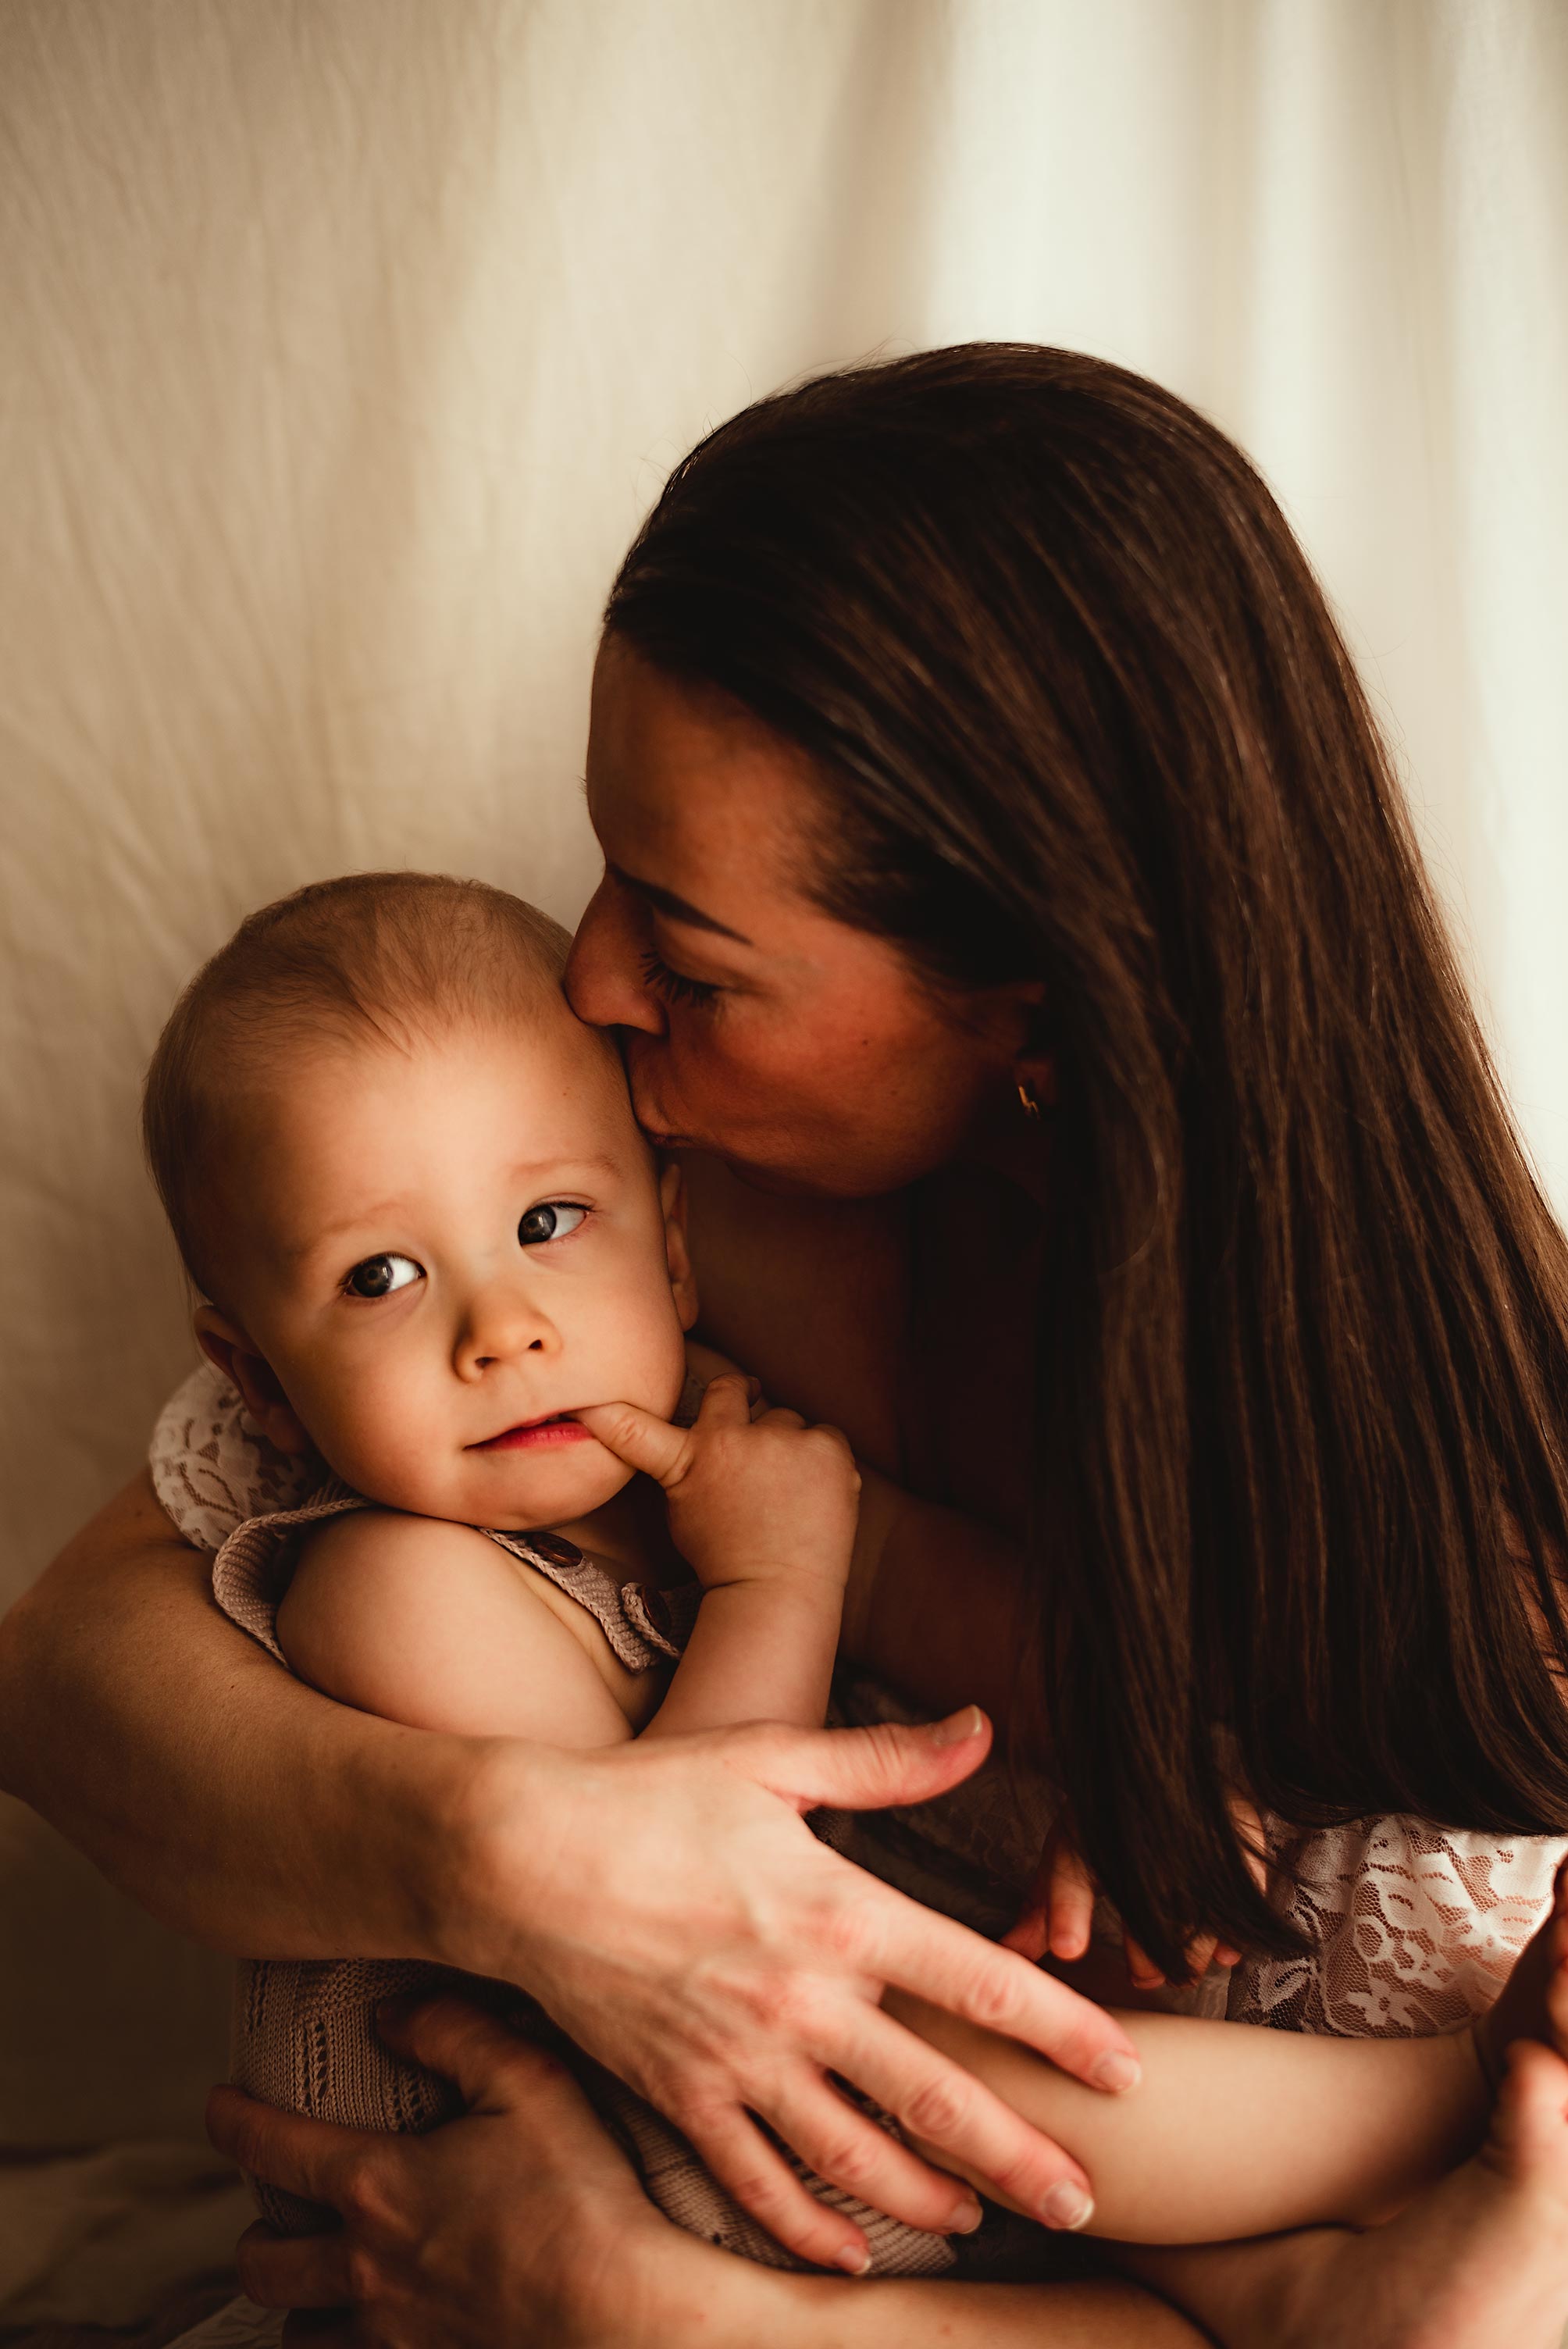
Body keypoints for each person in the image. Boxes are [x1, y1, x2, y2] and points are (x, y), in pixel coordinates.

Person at [6, 344, 1568, 2344]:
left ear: (1034, 1008)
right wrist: (518, 1857)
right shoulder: (635, 1216)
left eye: (689, 944)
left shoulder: (1468, 1519)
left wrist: (652, 2311)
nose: (586, 978)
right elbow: (59, 1674)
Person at [134, 866, 1558, 2310]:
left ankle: (1305, 2291)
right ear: (257, 1378)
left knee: (1013, 2010)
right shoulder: (394, 1585)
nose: (502, 1330)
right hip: (612, 2142)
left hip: (767, 2159)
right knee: (976, 2054)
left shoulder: (714, 1454)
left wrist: (1145, 1781)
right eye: (381, 1275)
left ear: (676, 1247)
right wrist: (776, 1579)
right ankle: (1449, 2109)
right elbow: (693, 1910)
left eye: (550, 1224)